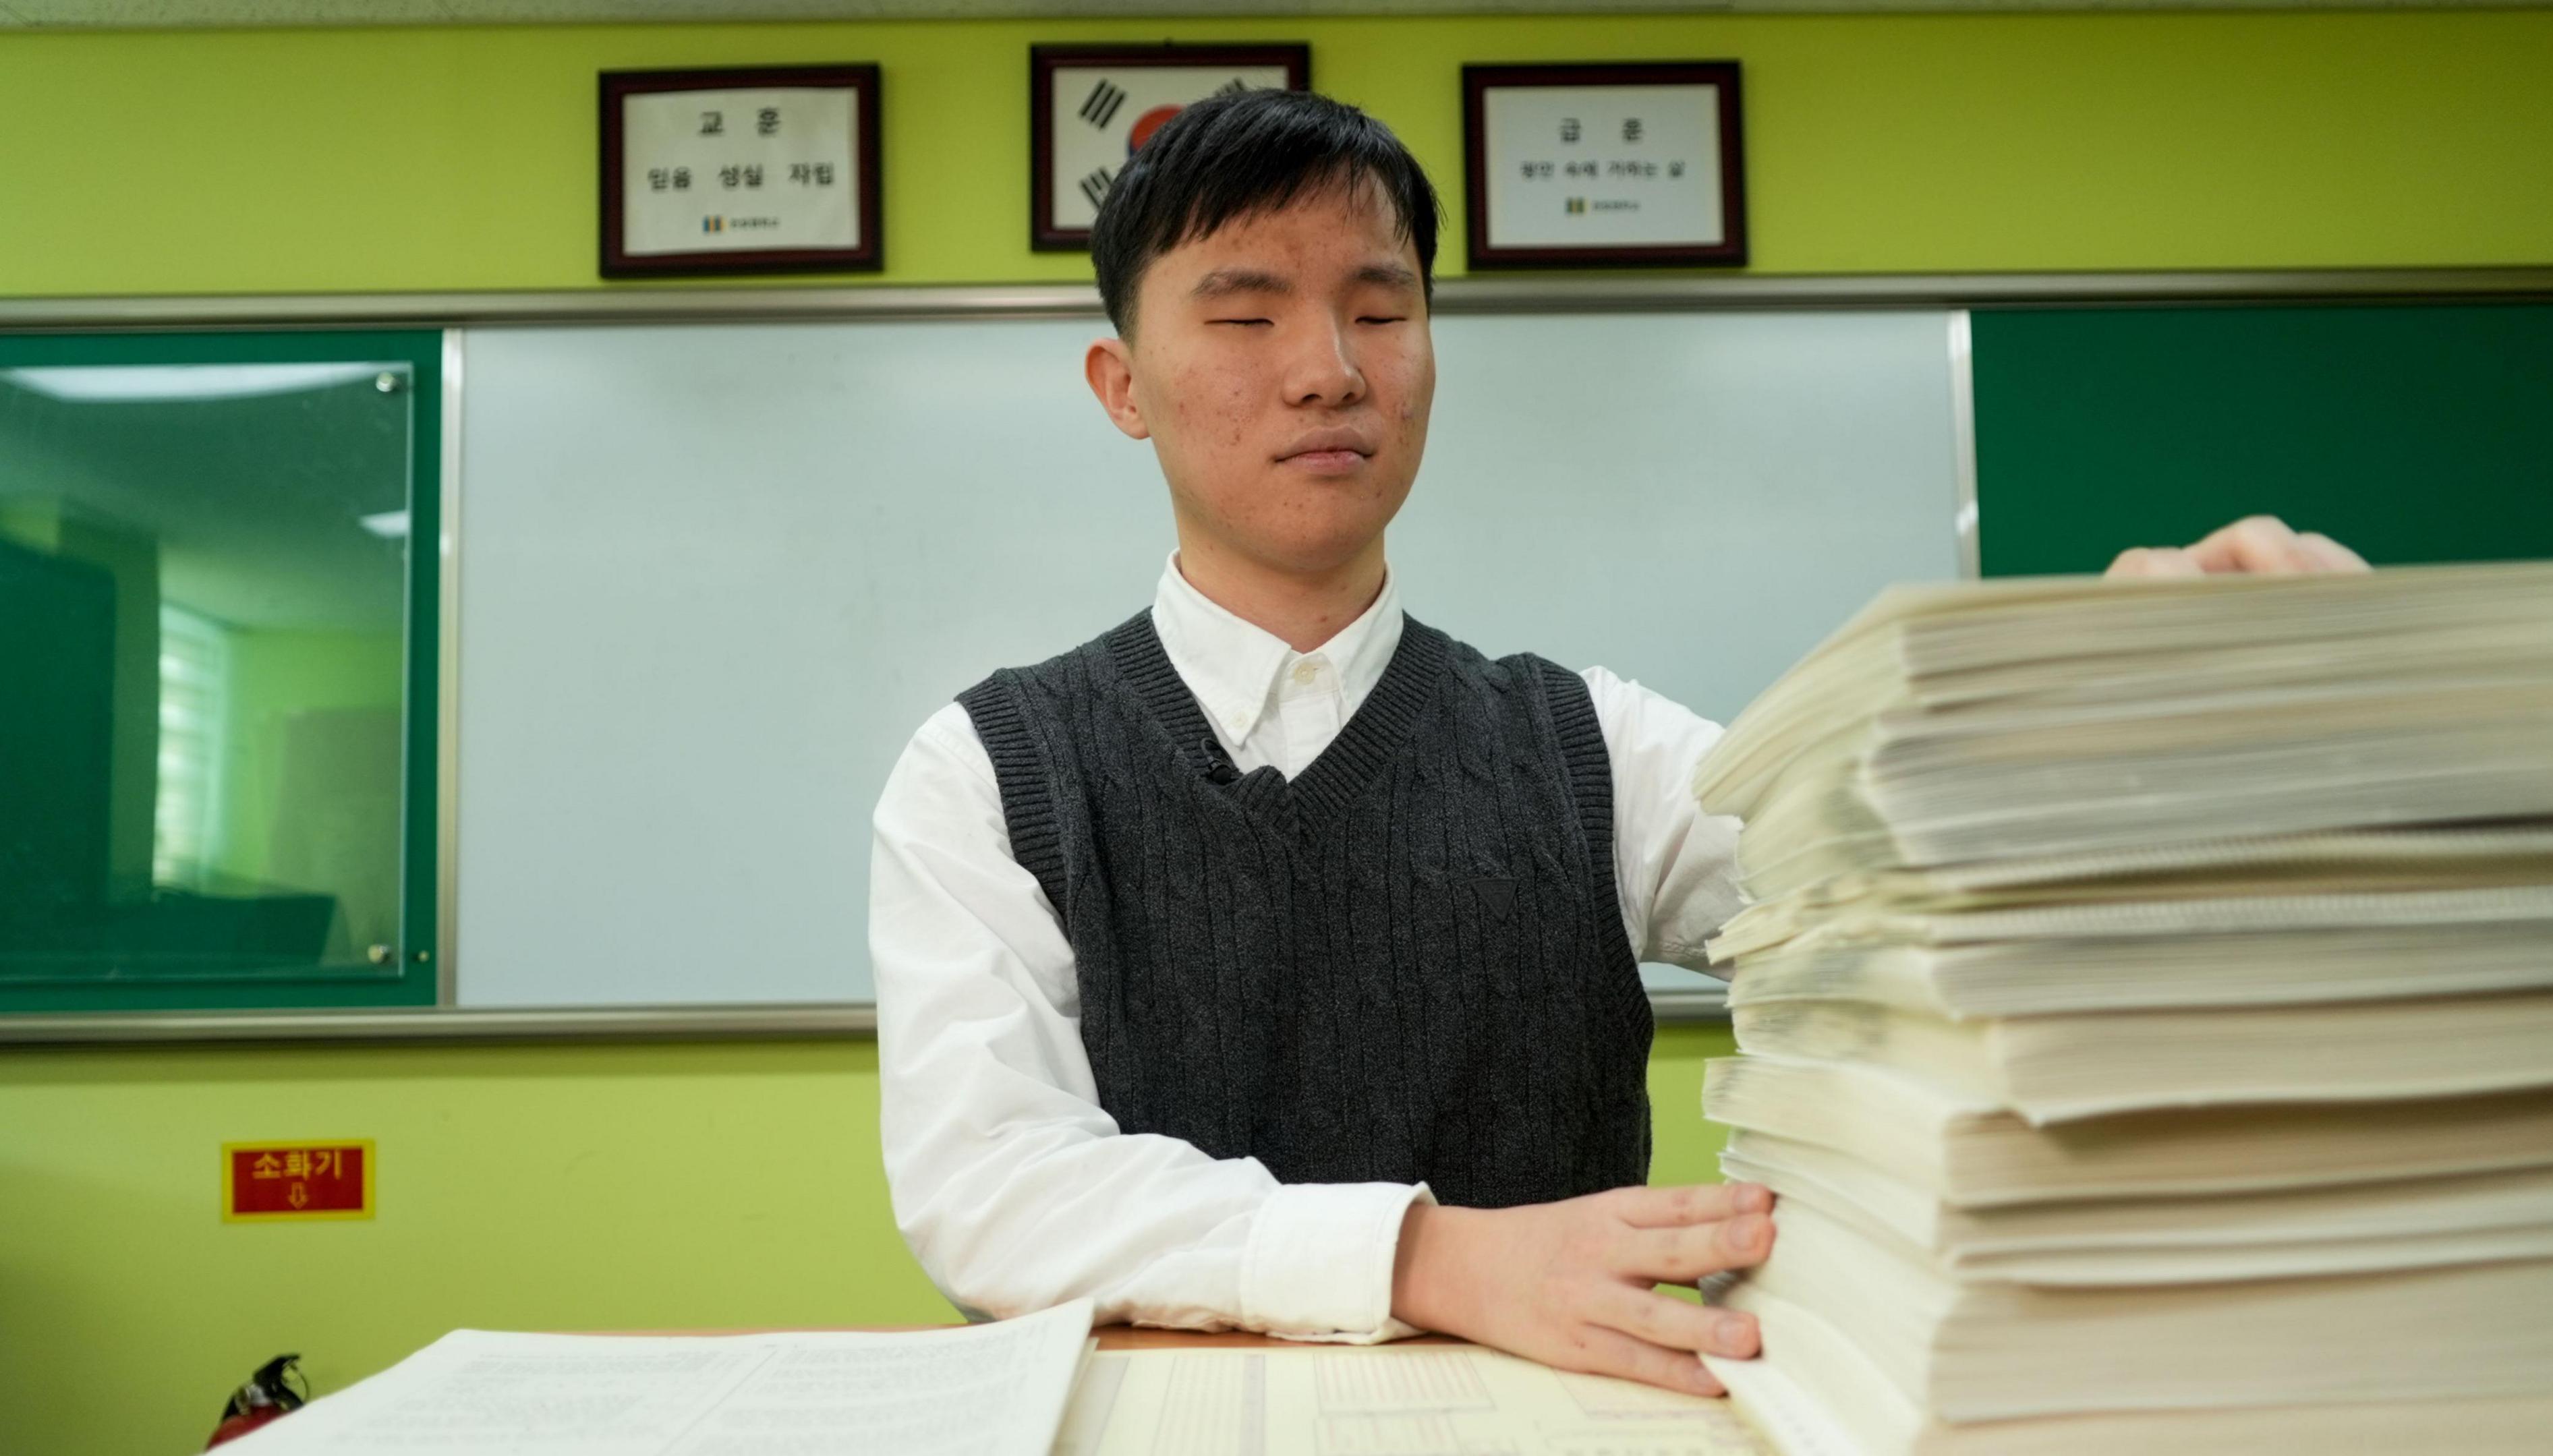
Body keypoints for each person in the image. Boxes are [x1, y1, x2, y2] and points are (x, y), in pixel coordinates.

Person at [871, 89, 2369, 1397]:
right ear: (1121, 384)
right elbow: (991, 1187)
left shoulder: (1595, 749)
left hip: (1567, 1430)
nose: (1329, 367)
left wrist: (2096, 708)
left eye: (1382, 310)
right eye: (1249, 312)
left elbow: (1896, 894)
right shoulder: (990, 770)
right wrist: (1426, 1257)